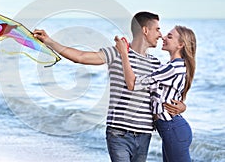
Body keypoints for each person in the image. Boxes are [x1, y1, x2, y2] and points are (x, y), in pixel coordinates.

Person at [33, 12, 186, 162]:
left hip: (144, 134)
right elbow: (81, 57)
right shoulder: (116, 53)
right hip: (118, 134)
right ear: (145, 30)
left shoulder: (156, 64)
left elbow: (166, 94)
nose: (161, 35)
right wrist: (49, 41)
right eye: (157, 29)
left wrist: (181, 107)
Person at [115, 25, 196, 162]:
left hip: (173, 129)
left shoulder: (173, 68)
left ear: (180, 45)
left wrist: (124, 54)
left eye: (170, 37)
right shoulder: (170, 67)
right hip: (171, 129)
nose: (163, 37)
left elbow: (134, 84)